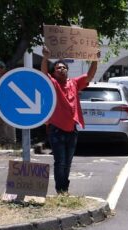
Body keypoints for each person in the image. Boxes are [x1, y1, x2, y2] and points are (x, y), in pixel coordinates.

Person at [41, 46, 99, 194]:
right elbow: (43, 73)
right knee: (60, 162)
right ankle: (60, 190)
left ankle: (64, 189)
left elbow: (89, 76)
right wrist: (45, 58)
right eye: (58, 68)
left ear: (67, 70)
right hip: (56, 129)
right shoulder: (53, 84)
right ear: (54, 73)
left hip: (72, 130)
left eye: (63, 67)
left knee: (67, 163)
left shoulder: (74, 83)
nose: (61, 69)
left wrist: (95, 60)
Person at [0, 61, 17, 146]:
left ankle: (11, 141)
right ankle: (2, 140)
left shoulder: (8, 77)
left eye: (1, 67)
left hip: (8, 103)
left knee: (9, 122)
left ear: (4, 68)